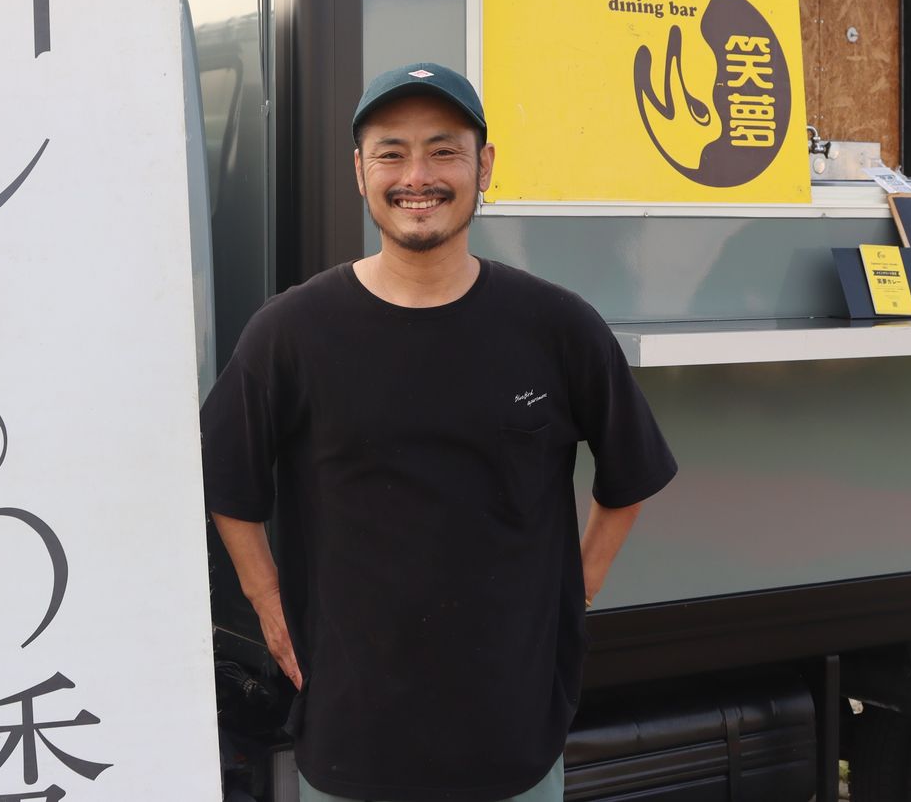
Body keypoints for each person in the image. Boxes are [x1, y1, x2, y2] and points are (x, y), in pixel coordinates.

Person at [201, 61, 677, 802]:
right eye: (391, 153)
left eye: (444, 150)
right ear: (360, 172)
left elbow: (630, 473)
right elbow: (226, 479)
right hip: (353, 731)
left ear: (484, 165)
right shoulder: (291, 333)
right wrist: (268, 602)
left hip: (512, 730)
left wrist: (575, 589)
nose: (416, 176)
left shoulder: (556, 326)